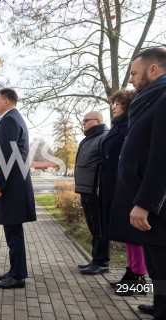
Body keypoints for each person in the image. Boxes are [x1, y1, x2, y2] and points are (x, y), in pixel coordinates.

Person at [110, 47, 166, 319]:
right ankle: (161, 303)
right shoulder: (150, 100)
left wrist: (144, 202)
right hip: (146, 200)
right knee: (155, 262)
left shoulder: (164, 99)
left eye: (134, 73)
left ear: (153, 69)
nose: (130, 79)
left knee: (163, 261)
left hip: (157, 204)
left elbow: (161, 157)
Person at [99, 89, 147, 295]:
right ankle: (131, 272)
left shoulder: (129, 125)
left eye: (117, 105)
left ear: (126, 105)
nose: (113, 108)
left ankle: (139, 277)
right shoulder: (118, 126)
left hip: (127, 183)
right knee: (126, 233)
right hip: (116, 181)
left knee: (133, 233)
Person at [0, 88, 36, 289]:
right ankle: (16, 270)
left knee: (13, 231)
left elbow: (5, 154)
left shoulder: (9, 120)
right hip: (16, 183)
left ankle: (17, 276)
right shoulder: (15, 118)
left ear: (6, 101)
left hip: (12, 185)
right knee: (13, 231)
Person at [75, 111, 110, 275]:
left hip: (95, 191)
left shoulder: (104, 137)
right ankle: (95, 259)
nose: (84, 124)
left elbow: (106, 164)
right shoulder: (88, 139)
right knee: (93, 227)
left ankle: (102, 262)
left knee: (99, 227)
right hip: (85, 189)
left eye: (86, 121)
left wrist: (99, 185)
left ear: (98, 121)